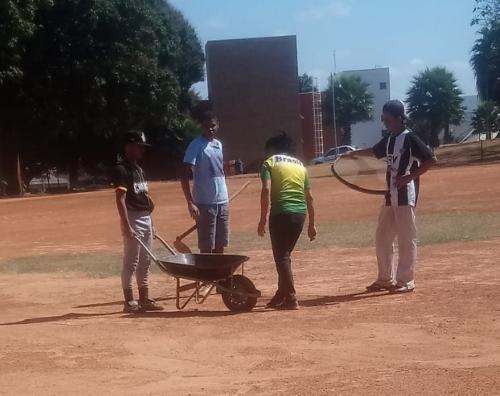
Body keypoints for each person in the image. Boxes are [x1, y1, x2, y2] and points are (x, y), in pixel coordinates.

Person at [348, 100, 436, 294]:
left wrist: (410, 177)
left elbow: (431, 160)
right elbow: (374, 151)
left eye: (387, 119)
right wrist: (353, 154)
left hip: (405, 196)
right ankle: (385, 279)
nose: (385, 122)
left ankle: (406, 280)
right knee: (382, 237)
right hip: (390, 196)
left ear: (399, 118)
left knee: (406, 238)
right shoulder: (389, 139)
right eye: (383, 119)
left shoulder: (410, 138)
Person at [258, 132, 317, 310]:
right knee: (285, 256)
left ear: (272, 149)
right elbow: (310, 198)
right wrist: (312, 225)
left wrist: (262, 219)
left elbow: (266, 190)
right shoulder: (300, 166)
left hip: (281, 212)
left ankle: (291, 297)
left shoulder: (269, 163)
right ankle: (280, 294)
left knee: (281, 257)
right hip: (300, 214)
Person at [113, 130, 164, 313]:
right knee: (131, 262)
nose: (142, 151)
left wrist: (151, 221)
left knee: (145, 261)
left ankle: (144, 299)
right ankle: (129, 302)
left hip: (145, 217)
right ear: (129, 147)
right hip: (133, 218)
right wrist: (127, 225)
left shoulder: (139, 169)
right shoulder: (121, 169)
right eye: (139, 147)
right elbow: (120, 200)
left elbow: (145, 196)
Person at [181, 111, 229, 254]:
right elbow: (184, 174)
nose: (210, 129)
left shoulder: (218, 145)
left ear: (218, 125)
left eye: (213, 125)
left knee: (220, 245)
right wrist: (190, 202)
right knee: (207, 247)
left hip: (223, 202)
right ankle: (208, 276)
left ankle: (219, 276)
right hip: (204, 203)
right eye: (206, 126)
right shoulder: (195, 145)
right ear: (201, 127)